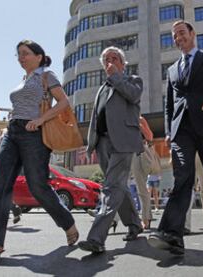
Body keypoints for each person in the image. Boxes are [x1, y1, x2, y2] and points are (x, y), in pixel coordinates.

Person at [0, 40, 78, 264]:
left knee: (37, 186)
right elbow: (20, 107)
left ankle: (67, 222)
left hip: (35, 135)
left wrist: (40, 120)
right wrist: (8, 125)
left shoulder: (46, 75)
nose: (21, 58)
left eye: (25, 53)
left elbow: (64, 102)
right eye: (18, 54)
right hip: (12, 133)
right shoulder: (23, 80)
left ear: (39, 56)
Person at [148, 20, 203, 255]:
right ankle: (171, 233)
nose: (178, 38)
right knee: (182, 178)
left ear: (192, 34)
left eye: (182, 33)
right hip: (181, 131)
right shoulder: (172, 69)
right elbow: (169, 105)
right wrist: (168, 131)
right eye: (174, 36)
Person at [78, 46, 144, 254]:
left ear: (123, 64)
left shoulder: (133, 80)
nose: (110, 62)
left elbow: (133, 96)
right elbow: (96, 118)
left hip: (123, 142)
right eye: (107, 59)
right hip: (103, 143)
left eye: (115, 58)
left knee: (110, 187)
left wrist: (116, 77)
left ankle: (96, 238)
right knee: (119, 187)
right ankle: (135, 224)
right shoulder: (102, 89)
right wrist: (91, 143)